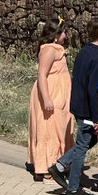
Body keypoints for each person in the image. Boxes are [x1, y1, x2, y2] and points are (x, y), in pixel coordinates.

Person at [49, 18, 98, 195]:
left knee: (88, 141)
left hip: (77, 105)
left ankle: (60, 165)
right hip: (87, 110)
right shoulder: (97, 59)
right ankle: (73, 188)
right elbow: (94, 91)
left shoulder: (84, 52)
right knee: (83, 145)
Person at [28, 16, 72, 183]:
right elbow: (42, 74)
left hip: (59, 94)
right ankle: (46, 165)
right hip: (50, 93)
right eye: (63, 33)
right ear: (56, 34)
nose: (66, 36)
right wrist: (46, 98)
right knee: (49, 129)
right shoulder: (49, 50)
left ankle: (58, 162)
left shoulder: (57, 49)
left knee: (58, 127)